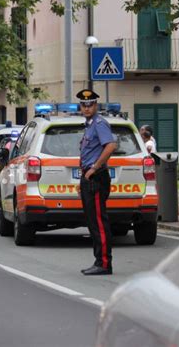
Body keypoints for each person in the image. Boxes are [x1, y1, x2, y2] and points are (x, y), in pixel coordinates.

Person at [77, 89, 117, 275]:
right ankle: (99, 260)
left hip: (96, 177)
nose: (86, 108)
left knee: (99, 222)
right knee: (93, 221)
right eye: (84, 105)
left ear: (96, 105)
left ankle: (104, 263)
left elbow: (110, 146)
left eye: (90, 104)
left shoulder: (100, 124)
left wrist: (94, 168)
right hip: (89, 177)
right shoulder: (89, 125)